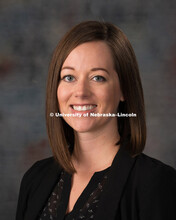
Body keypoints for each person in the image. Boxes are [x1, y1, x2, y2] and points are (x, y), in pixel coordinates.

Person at [16, 21, 176, 220]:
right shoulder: (35, 178)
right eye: (68, 77)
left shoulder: (156, 183)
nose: (81, 92)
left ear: (124, 89)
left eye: (97, 77)